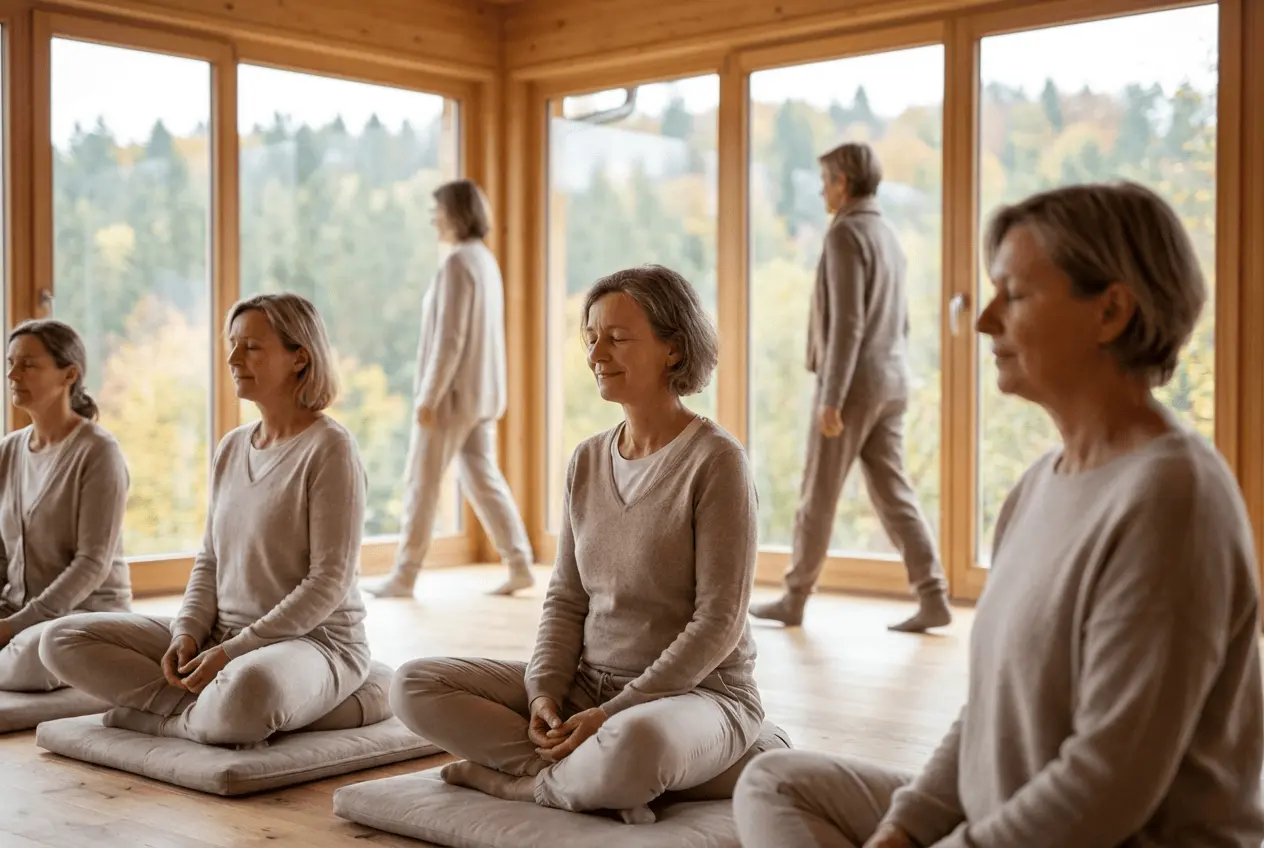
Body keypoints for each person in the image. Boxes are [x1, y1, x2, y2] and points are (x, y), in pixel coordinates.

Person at [733, 182, 1264, 848]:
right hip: (1000, 820)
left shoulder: (1173, 500)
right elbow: (988, 713)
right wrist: (902, 830)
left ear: (1111, 313)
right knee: (774, 783)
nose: (984, 319)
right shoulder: (1039, 484)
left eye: (1013, 295)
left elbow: (1105, 788)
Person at [390, 265, 764, 822]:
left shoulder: (717, 461)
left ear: (673, 349)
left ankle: (523, 785)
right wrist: (543, 692)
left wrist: (617, 711)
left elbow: (719, 622)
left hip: (694, 696)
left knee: (639, 742)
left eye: (617, 338)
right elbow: (566, 598)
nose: (596, 354)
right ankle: (598, 777)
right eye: (591, 338)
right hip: (588, 688)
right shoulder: (587, 460)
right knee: (413, 684)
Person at [41, 293, 379, 746]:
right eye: (232, 344)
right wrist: (187, 632)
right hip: (222, 639)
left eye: (252, 347)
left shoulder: (330, 448)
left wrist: (236, 652)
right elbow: (209, 561)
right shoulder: (232, 446)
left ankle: (173, 720)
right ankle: (209, 711)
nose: (233, 358)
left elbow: (329, 581)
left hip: (313, 643)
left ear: (300, 357)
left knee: (248, 693)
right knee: (60, 639)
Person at [749, 142, 949, 633]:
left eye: (826, 179)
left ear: (844, 180)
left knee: (818, 492)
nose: (821, 189)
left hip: (855, 384)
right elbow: (898, 320)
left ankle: (794, 597)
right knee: (893, 493)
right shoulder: (887, 232)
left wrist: (832, 397)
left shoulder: (845, 234)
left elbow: (848, 326)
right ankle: (934, 594)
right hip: (893, 379)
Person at [364, 179, 534, 599]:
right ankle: (519, 562)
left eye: (436, 209)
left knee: (421, 483)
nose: (432, 218)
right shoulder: (484, 261)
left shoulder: (458, 263)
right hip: (482, 395)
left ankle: (404, 575)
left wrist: (428, 396)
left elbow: (450, 339)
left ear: (455, 213)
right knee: (482, 478)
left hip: (453, 398)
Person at [0, 320, 129, 692]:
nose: (12, 374)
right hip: (18, 612)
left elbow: (91, 564)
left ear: (68, 374)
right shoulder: (8, 451)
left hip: (82, 618)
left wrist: (12, 627)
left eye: (27, 364)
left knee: (34, 656)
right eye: (10, 362)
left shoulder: (99, 452)